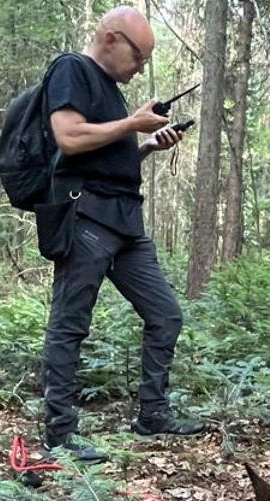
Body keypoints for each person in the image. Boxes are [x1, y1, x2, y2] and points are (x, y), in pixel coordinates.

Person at [35, 6, 204, 464]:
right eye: (139, 57)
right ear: (111, 39)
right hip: (86, 218)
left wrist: (146, 145)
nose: (141, 67)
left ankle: (152, 414)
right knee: (71, 322)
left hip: (127, 224)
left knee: (166, 315)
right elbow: (69, 139)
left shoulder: (109, 90)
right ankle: (59, 434)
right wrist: (132, 124)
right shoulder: (72, 69)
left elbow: (106, 156)